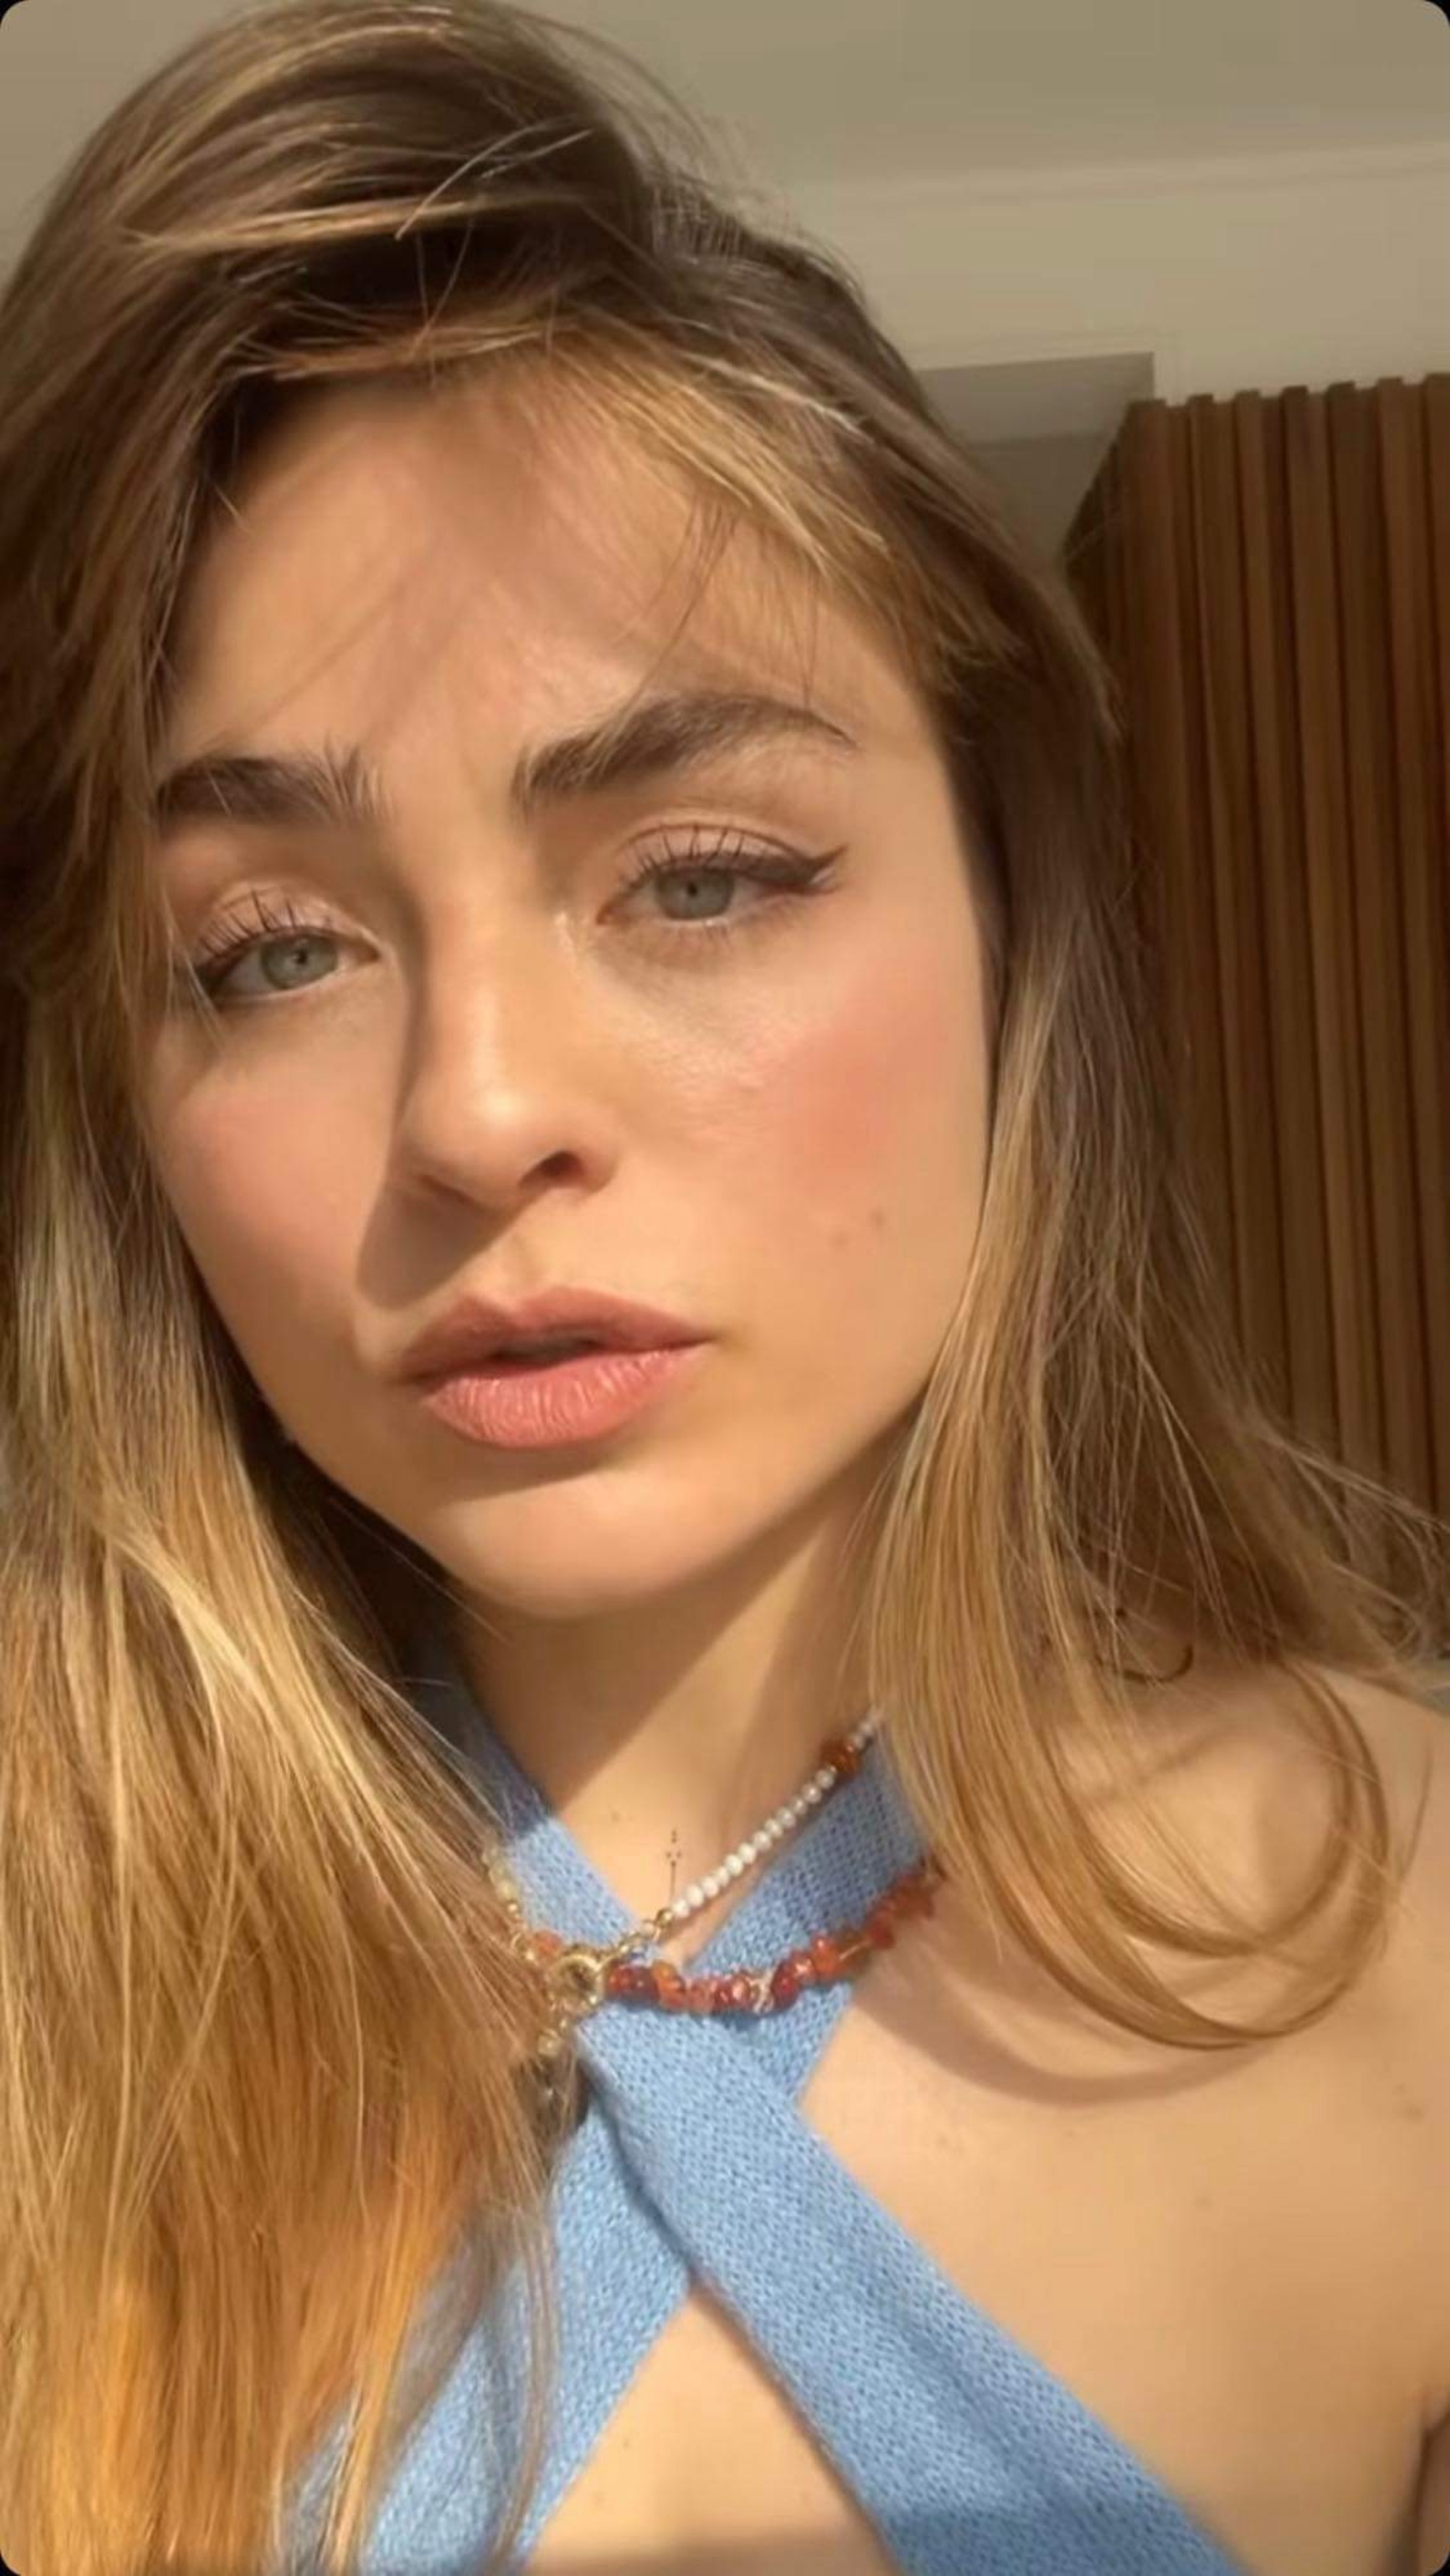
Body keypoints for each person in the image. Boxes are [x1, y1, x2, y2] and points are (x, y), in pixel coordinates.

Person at [0, 2, 1446, 2570]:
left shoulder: (1410, 1923)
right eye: (272, 946)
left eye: (698, 873)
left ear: (1009, 919)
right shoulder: (52, 1957)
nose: (476, 1111)